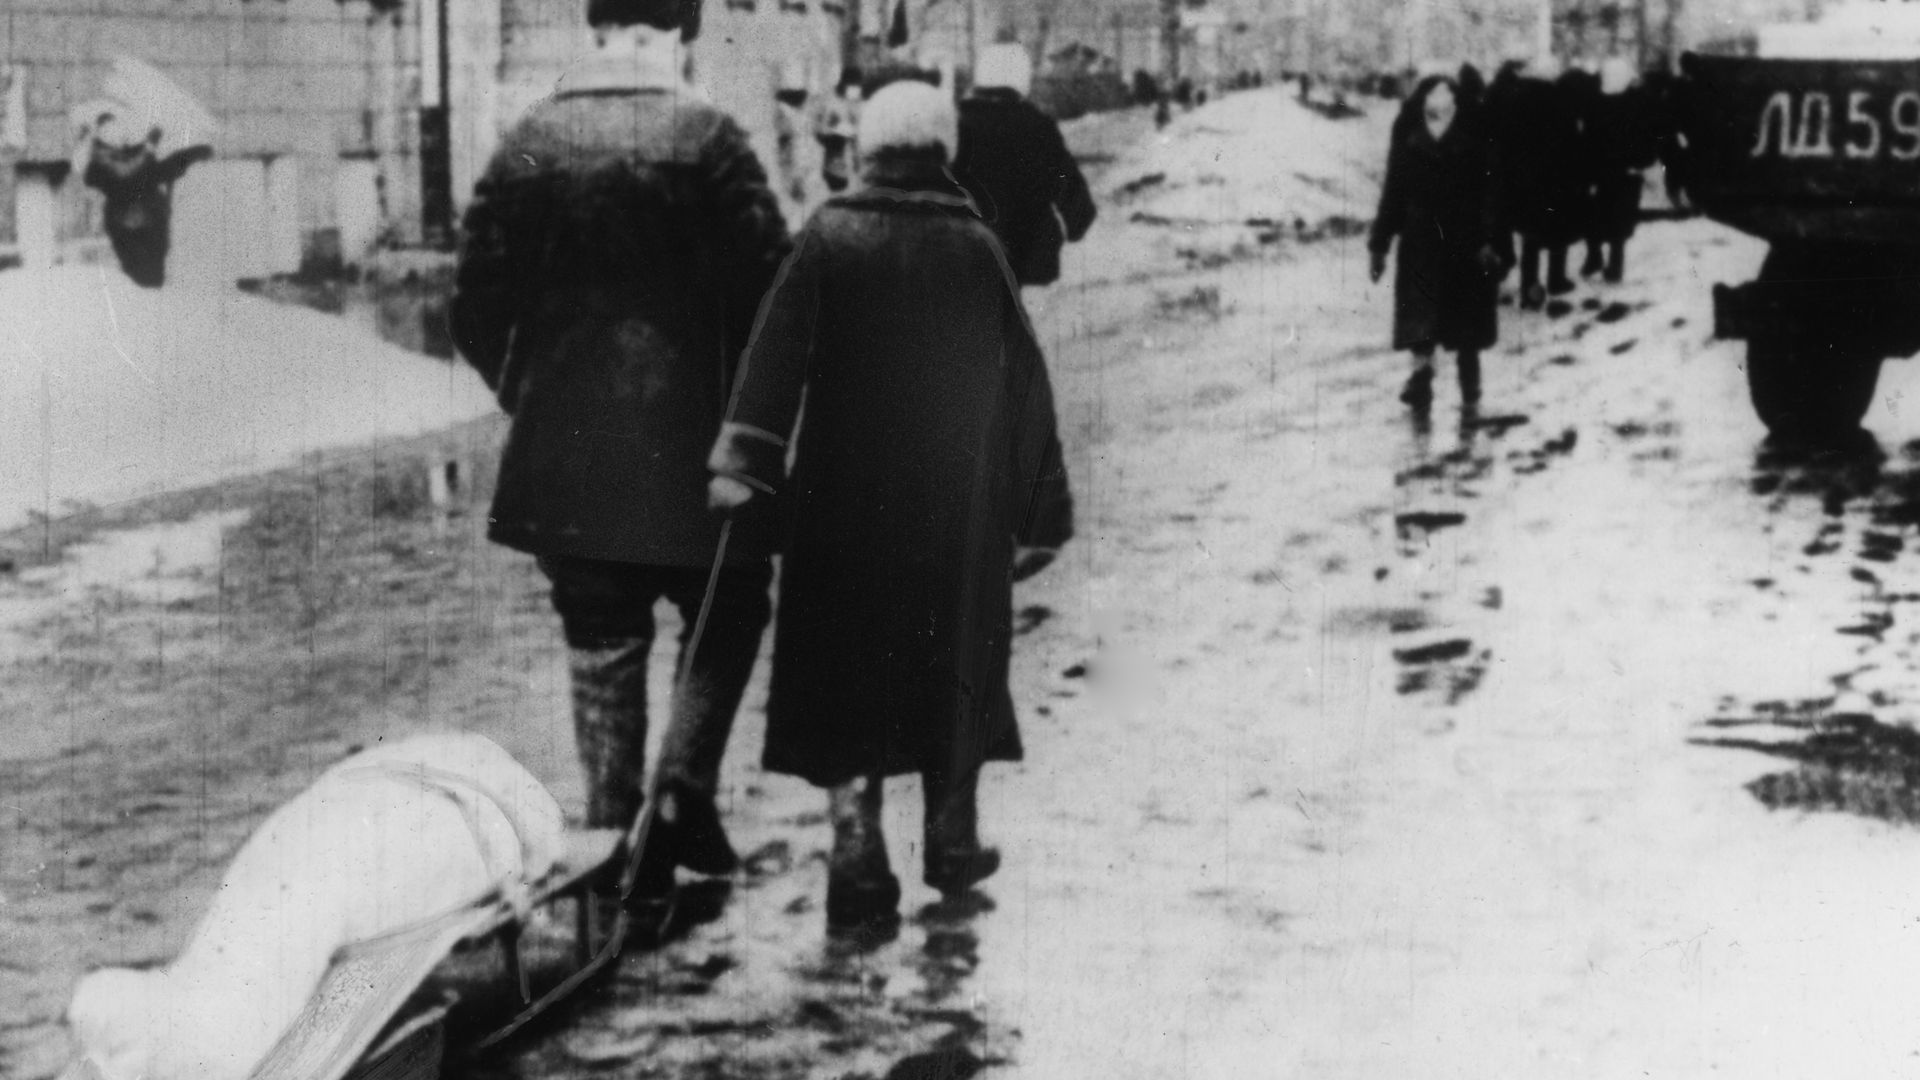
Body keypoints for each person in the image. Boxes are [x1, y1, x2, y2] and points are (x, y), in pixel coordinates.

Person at [706, 80, 1073, 943]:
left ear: (866, 148)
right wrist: (1041, 510)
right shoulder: (977, 245)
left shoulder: (829, 236)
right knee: (954, 665)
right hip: (956, 505)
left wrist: (745, 463)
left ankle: (857, 854)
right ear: (945, 149)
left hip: (841, 502)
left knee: (844, 671)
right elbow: (1025, 386)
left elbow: (774, 358)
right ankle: (952, 842)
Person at [449, 0, 791, 923]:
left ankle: (612, 835)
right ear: (675, 36)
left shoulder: (528, 143)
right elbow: (777, 290)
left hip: (570, 453)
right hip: (703, 449)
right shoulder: (711, 141)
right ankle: (681, 790)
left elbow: (473, 300)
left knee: (601, 636)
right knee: (727, 608)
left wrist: (531, 394)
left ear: (596, 34)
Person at [1369, 69, 1512, 413]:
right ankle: (1434, 383)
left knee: (1447, 319)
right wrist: (1379, 243)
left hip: (1452, 240)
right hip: (1444, 239)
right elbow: (1396, 188)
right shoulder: (1427, 125)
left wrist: (1380, 244)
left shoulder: (1450, 125)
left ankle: (1459, 387)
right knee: (1436, 317)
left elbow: (1491, 190)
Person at [951, 43, 1096, 288]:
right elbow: (1066, 182)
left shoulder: (955, 125)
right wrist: (1078, 222)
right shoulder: (1038, 125)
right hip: (1027, 250)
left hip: (967, 247)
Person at [77, 112, 212, 288]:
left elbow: (158, 171)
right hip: (131, 225)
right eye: (110, 130)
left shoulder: (129, 154)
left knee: (151, 276)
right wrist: (149, 147)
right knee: (142, 278)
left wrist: (189, 156)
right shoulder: (100, 162)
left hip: (147, 223)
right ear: (102, 134)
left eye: (119, 129)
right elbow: (127, 174)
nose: (120, 135)